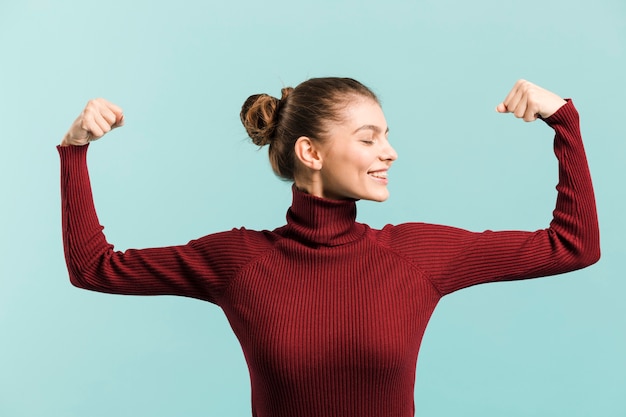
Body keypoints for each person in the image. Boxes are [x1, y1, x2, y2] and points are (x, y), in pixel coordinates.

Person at [58, 78, 600, 417]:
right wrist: (74, 149)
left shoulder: (416, 257)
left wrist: (564, 123)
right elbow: (93, 268)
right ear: (310, 152)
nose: (389, 153)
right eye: (368, 138)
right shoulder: (240, 263)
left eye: (386, 135)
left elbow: (572, 246)